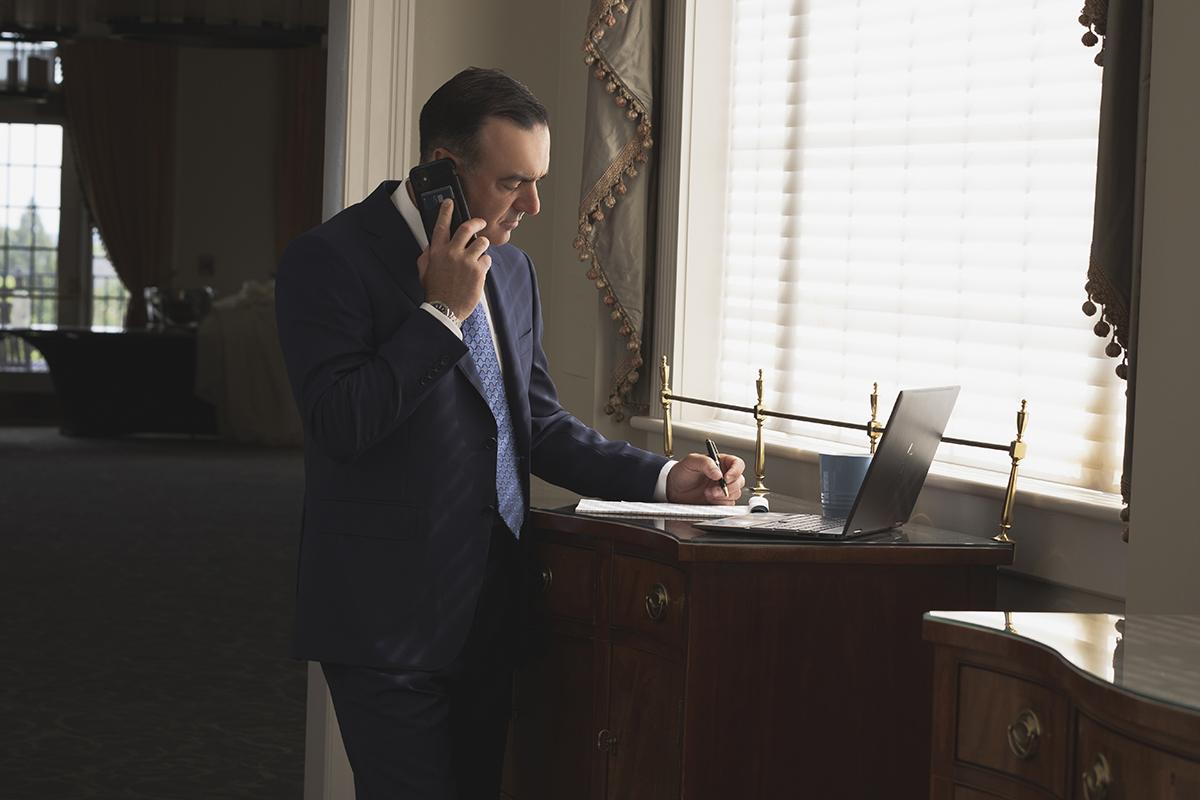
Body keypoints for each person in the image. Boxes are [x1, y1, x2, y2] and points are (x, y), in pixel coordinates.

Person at [275, 67, 745, 799]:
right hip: (386, 620)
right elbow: (341, 423)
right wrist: (439, 316)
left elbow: (538, 424)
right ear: (442, 171)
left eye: (538, 181)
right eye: (510, 182)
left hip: (496, 609)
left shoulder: (514, 270)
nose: (531, 203)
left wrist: (662, 479)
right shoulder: (328, 260)